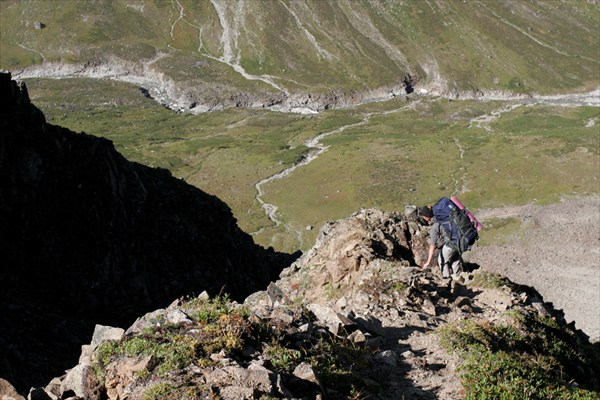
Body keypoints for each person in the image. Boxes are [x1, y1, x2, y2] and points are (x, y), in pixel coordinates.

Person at [418, 205, 463, 279]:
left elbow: (432, 246)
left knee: (442, 260)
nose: (423, 218)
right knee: (455, 260)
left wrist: (428, 262)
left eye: (424, 216)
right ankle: (460, 278)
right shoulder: (442, 218)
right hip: (458, 241)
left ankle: (447, 279)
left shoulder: (434, 227)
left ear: (427, 216)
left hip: (450, 244)